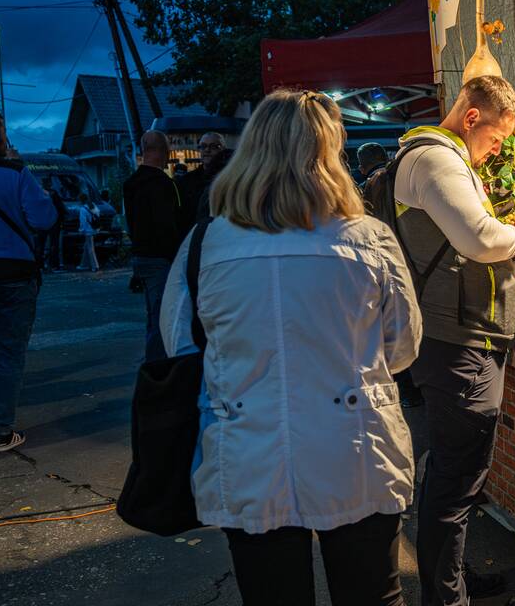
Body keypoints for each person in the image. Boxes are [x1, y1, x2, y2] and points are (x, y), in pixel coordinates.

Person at [160, 90, 421, 606]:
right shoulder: (369, 238)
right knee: (372, 595)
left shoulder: (203, 244)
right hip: (357, 450)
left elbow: (180, 345)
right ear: (329, 152)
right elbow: (404, 346)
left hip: (248, 453)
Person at [392, 75, 515, 605]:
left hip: (456, 337)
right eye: (496, 138)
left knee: (453, 475)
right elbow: (478, 238)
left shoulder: (439, 158)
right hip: (457, 344)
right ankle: (447, 597)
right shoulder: (436, 160)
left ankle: (449, 579)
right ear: (472, 117)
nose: (497, 150)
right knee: (457, 478)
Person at [0, 108, 57, 451]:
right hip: (12, 275)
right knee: (7, 354)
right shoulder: (15, 172)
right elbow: (44, 218)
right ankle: (0, 431)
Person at [123, 130, 183, 363]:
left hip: (141, 256)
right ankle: (157, 363)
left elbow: (130, 221)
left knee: (152, 312)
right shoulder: (164, 184)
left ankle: (154, 358)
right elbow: (168, 225)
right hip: (161, 258)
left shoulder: (131, 184)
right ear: (161, 151)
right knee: (162, 315)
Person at [177, 132, 232, 230]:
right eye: (203, 146)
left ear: (223, 150)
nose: (207, 150)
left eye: (214, 146)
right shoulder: (186, 181)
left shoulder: (231, 180)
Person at [76, 195, 99, 272]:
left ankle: (95, 266)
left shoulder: (83, 209)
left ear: (81, 200)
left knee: (90, 248)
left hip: (87, 231)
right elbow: (97, 216)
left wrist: (81, 230)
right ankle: (83, 265)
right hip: (94, 229)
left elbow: (83, 222)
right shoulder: (93, 206)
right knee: (87, 247)